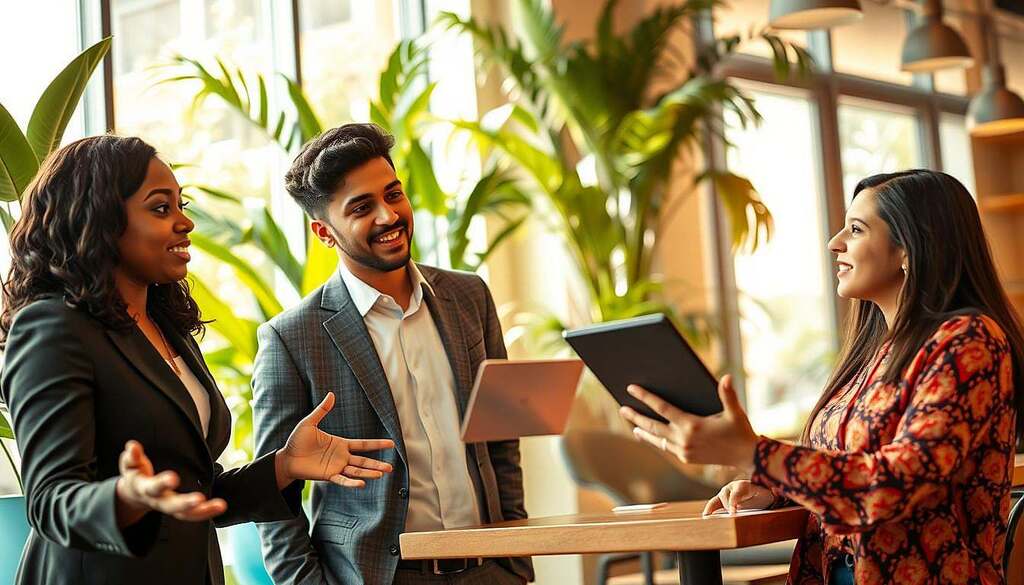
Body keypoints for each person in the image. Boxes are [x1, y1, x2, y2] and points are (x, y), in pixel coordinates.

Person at [0, 135, 395, 585]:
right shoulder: (52, 328)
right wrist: (127, 497)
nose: (185, 223)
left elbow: (196, 489)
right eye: (161, 208)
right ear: (102, 219)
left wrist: (283, 465)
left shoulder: (165, 326)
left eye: (180, 206)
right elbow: (50, 500)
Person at [620, 170, 1023, 585]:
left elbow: (893, 485)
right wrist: (772, 488)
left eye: (857, 229)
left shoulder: (969, 342)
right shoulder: (873, 354)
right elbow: (842, 463)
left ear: (910, 248)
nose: (835, 242)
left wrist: (754, 454)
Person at [252, 123, 533, 585]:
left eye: (393, 194)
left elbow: (500, 439)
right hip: (379, 576)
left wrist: (516, 562)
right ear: (324, 232)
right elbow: (274, 493)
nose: (388, 216)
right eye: (362, 208)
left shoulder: (470, 297)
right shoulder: (291, 338)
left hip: (490, 570)